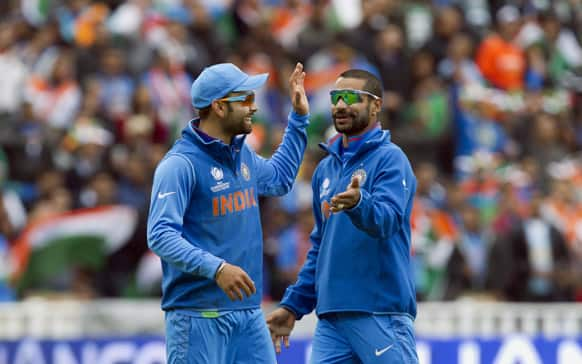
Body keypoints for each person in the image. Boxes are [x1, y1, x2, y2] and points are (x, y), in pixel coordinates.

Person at [147, 62, 309, 364]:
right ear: (219, 107)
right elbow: (160, 235)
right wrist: (217, 268)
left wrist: (298, 118)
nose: (254, 107)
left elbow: (280, 179)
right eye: (245, 100)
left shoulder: (241, 155)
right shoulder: (179, 165)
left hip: (247, 314)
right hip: (198, 315)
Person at [267, 69, 419, 363]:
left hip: (379, 312)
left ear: (376, 106)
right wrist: (293, 306)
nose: (340, 105)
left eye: (351, 97)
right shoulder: (325, 170)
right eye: (336, 97)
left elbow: (387, 221)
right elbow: (321, 248)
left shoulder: (391, 159)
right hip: (332, 320)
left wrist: (360, 202)